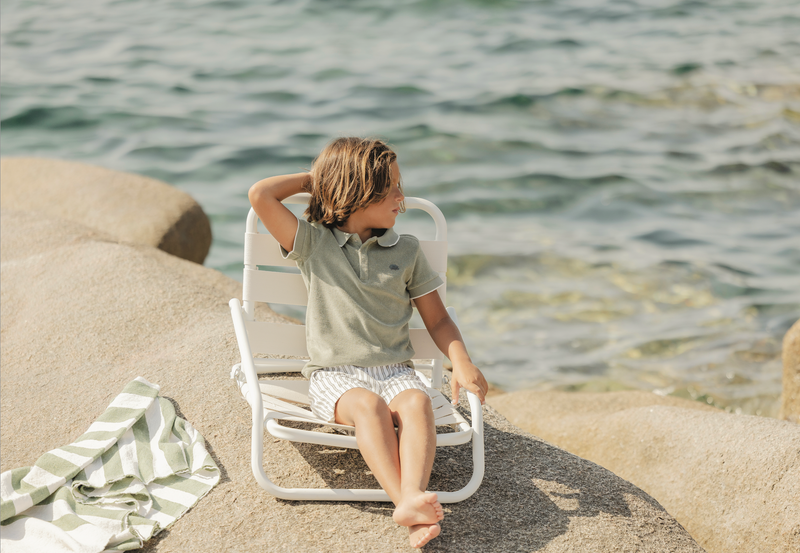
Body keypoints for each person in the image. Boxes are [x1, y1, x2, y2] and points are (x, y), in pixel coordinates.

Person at [248, 137, 488, 549]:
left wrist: (461, 361)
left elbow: (438, 318)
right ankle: (406, 500)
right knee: (368, 407)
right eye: (392, 188)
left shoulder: (408, 249)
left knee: (417, 402)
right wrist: (323, 178)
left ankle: (411, 496)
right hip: (335, 377)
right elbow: (261, 194)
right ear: (356, 193)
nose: (402, 198)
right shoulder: (313, 243)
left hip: (395, 371)